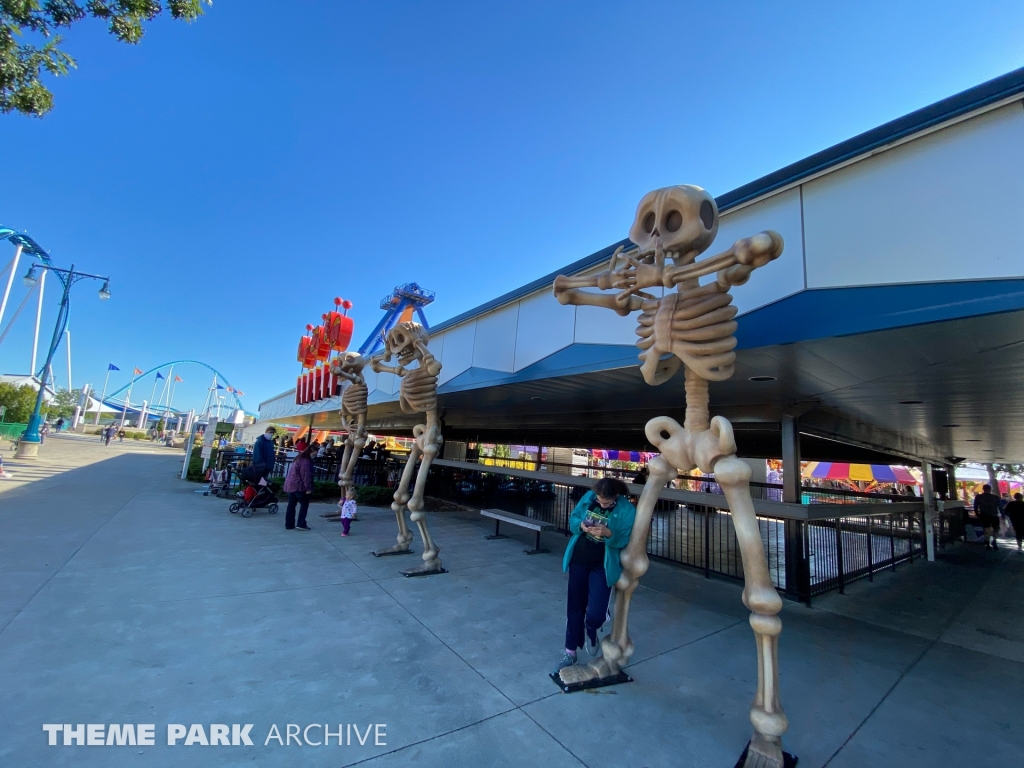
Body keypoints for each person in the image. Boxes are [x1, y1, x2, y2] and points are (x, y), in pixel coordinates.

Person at [555, 477, 636, 674]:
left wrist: (609, 533)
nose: (601, 504)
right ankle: (570, 652)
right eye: (599, 501)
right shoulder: (590, 496)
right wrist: (581, 526)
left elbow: (625, 539)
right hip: (579, 559)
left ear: (616, 496)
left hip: (602, 565)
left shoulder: (626, 510)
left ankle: (591, 630)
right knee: (574, 607)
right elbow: (574, 517)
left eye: (606, 503)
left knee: (597, 612)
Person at [283, 446, 314, 531]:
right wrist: (308, 488)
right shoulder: (306, 462)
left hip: (291, 485)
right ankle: (301, 524)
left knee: (291, 505)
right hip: (300, 486)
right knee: (304, 505)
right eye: (315, 452)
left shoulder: (298, 458)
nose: (316, 454)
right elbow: (306, 476)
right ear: (312, 452)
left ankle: (289, 524)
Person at [974, 484, 1002, 549]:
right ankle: (994, 540)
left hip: (984, 515)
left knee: (986, 528)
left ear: (983, 489)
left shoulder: (978, 497)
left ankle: (987, 542)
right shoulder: (995, 497)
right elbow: (1000, 507)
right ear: (990, 489)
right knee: (996, 528)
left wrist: (977, 514)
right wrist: (1002, 514)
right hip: (994, 515)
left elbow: (975, 506)